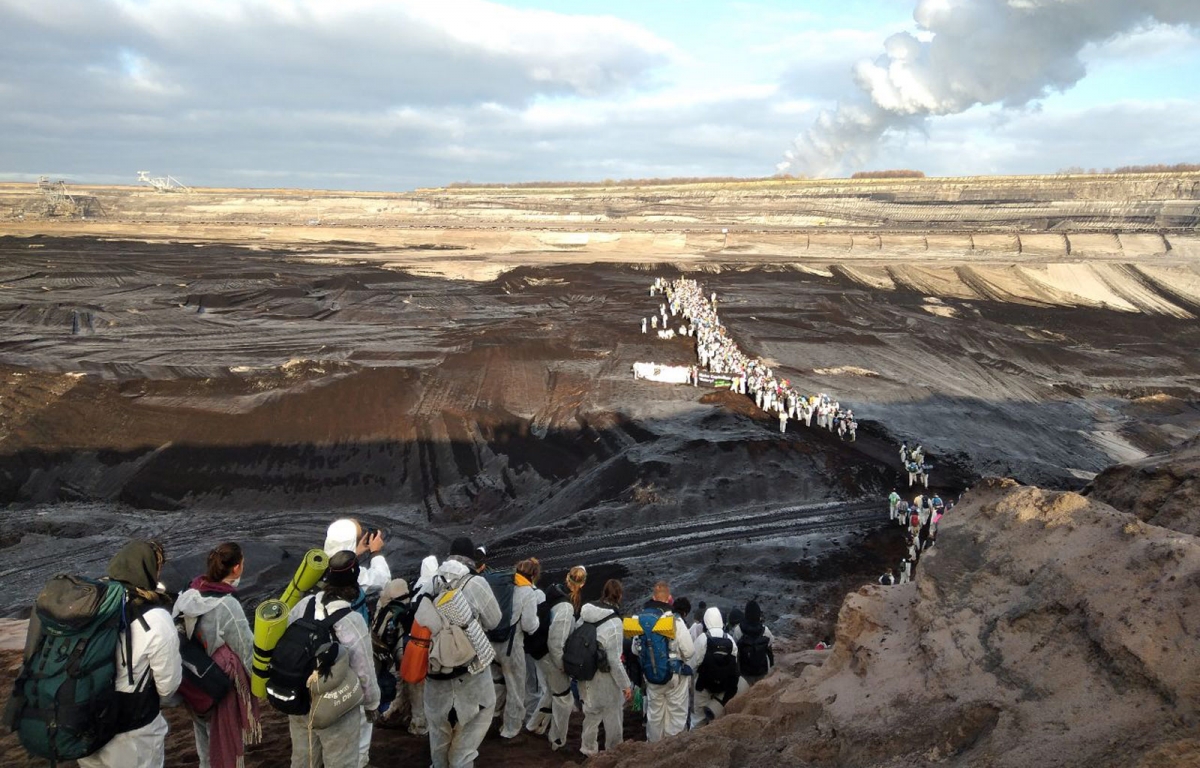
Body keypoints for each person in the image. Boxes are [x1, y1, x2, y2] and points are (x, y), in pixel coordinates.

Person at [79, 540, 182, 768]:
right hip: (132, 732)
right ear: (149, 569)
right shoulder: (155, 618)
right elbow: (168, 686)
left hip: (84, 723)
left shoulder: (89, 603)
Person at [287, 552, 380, 768]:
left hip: (300, 698)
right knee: (340, 760)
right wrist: (371, 704)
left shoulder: (305, 605)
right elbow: (364, 669)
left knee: (304, 760)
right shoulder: (352, 620)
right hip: (335, 705)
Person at [172, 542, 258, 768]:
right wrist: (258, 686)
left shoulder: (187, 594)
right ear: (237, 568)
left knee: (205, 744)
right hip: (217, 686)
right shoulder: (227, 606)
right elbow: (245, 648)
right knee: (223, 743)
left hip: (191, 681)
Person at [421, 537, 501, 768]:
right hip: (471, 674)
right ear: (470, 558)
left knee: (438, 733)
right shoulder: (475, 583)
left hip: (435, 673)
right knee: (471, 729)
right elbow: (494, 621)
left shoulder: (430, 581)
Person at [527, 565, 584, 749]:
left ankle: (534, 726)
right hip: (550, 656)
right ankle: (557, 740)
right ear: (582, 584)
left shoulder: (554, 591)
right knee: (564, 699)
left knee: (552, 693)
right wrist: (562, 666)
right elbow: (556, 642)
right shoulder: (566, 608)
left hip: (540, 652)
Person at [577, 579, 632, 757]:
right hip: (604, 674)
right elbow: (614, 660)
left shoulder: (586, 612)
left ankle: (588, 750)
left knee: (591, 713)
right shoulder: (615, 622)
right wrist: (626, 685)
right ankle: (614, 752)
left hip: (585, 670)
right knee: (613, 713)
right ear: (619, 596)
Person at [634, 581, 694, 743]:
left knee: (654, 715)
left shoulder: (640, 619)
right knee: (676, 713)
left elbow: (635, 649)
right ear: (669, 599)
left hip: (651, 676)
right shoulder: (675, 620)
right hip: (674, 677)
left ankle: (653, 748)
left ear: (653, 597)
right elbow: (689, 651)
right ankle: (671, 749)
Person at [494, 558, 540, 739]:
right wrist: (537, 622)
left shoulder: (505, 585)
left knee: (496, 683)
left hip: (492, 642)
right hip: (511, 646)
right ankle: (510, 730)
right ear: (534, 574)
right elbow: (529, 625)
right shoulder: (527, 591)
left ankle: (491, 718)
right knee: (515, 688)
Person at [324, 518, 391, 597]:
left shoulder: (321, 562)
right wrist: (375, 552)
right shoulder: (352, 575)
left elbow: (339, 557)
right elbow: (384, 581)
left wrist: (355, 552)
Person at [731, 600, 775, 687]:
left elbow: (734, 649)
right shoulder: (765, 630)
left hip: (745, 671)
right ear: (758, 614)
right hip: (762, 671)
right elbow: (770, 646)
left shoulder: (738, 630)